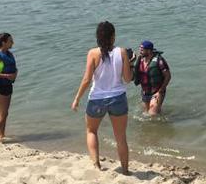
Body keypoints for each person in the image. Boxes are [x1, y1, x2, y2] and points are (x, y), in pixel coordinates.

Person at [71, 21, 133, 174]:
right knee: (121, 138)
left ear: (98, 37)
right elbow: (127, 79)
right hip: (118, 97)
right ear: (113, 36)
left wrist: (77, 98)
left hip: (97, 98)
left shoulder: (93, 53)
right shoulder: (122, 52)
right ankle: (125, 170)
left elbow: (86, 79)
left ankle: (97, 165)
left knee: (91, 131)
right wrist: (130, 65)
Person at [133, 40, 171, 116]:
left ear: (149, 51)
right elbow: (133, 76)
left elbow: (168, 76)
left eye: (142, 50)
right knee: (147, 114)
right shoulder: (140, 60)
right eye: (140, 49)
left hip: (157, 91)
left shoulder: (159, 60)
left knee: (152, 114)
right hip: (145, 92)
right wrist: (131, 62)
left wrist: (161, 90)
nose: (140, 52)